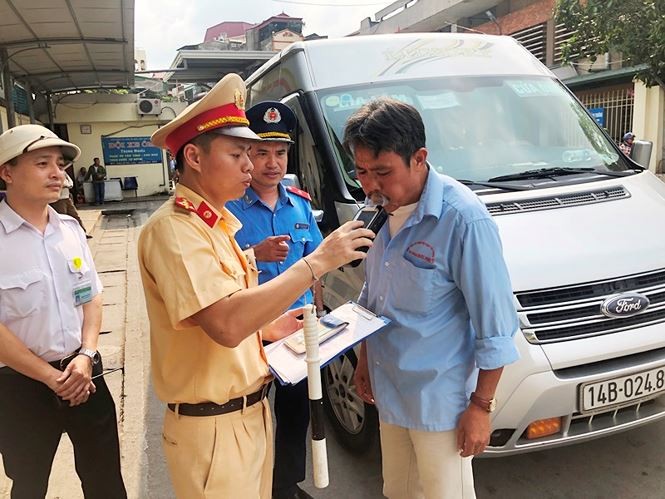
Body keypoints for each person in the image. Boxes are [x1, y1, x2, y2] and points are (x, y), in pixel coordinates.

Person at [138, 73, 373, 499]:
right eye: (238, 154)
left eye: (258, 153)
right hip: (213, 427)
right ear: (193, 156)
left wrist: (273, 326)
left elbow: (221, 318)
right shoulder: (177, 231)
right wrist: (317, 262)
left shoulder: (216, 225)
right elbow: (225, 324)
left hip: (246, 412)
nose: (252, 165)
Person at [345, 98, 519, 499]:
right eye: (361, 172)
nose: (370, 185)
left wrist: (480, 408)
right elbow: (374, 294)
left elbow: (495, 328)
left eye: (383, 172)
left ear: (419, 157)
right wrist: (366, 360)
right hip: (390, 390)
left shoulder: (463, 219)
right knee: (398, 491)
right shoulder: (376, 212)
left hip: (441, 405)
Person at [0, 124, 126, 498]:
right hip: (20, 386)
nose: (59, 173)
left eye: (60, 164)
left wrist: (87, 355)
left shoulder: (69, 229)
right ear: (7, 171)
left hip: (83, 372)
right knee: (29, 482)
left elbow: (92, 297)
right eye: (43, 163)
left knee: (105, 478)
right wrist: (50, 378)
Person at [227, 101, 323, 499]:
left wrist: (317, 313)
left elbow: (315, 266)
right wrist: (254, 254)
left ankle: (284, 486)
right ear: (246, 155)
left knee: (295, 413)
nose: (272, 163)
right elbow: (214, 276)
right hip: (250, 334)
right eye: (261, 152)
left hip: (296, 335)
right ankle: (250, 486)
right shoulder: (226, 209)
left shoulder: (299, 205)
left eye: (280, 153)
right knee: (245, 416)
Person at [50, 170, 91, 237]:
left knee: (75, 216)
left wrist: (66, 185)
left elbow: (70, 183)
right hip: (59, 199)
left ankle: (82, 233)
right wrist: (65, 185)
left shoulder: (64, 172)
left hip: (67, 197)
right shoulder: (53, 173)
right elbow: (59, 184)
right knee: (62, 218)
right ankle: (64, 235)